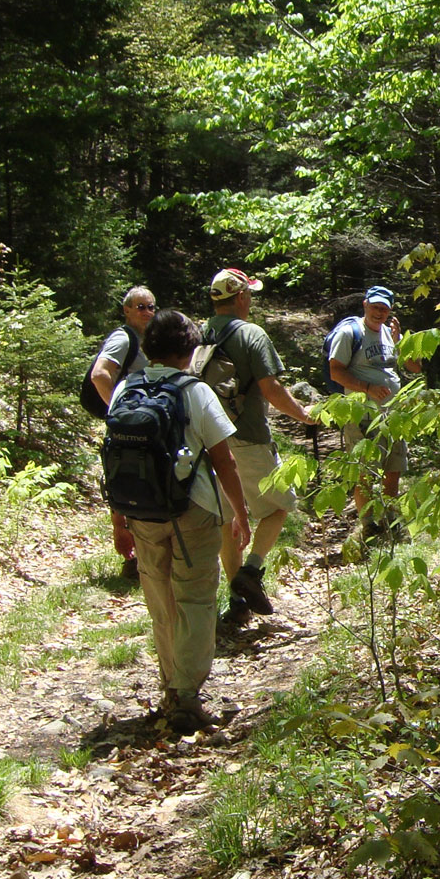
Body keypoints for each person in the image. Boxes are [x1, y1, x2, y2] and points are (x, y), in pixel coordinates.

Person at [123, 309, 251, 734]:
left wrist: (119, 519)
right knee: (195, 601)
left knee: (161, 603)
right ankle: (186, 696)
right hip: (192, 510)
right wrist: (240, 513)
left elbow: (116, 460)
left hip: (142, 511)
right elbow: (224, 459)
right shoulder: (194, 392)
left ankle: (169, 686)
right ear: (189, 350)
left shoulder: (127, 387)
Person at [205, 267, 316, 624]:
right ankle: (250, 572)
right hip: (249, 437)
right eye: (249, 294)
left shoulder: (200, 333)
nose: (250, 299)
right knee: (278, 507)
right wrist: (303, 416)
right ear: (240, 298)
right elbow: (271, 389)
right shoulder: (252, 334)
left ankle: (236, 600)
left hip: (209, 440)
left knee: (227, 519)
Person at [326, 285, 421, 530]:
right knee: (365, 472)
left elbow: (415, 367)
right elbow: (336, 371)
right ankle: (367, 525)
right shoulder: (350, 332)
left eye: (385, 309)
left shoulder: (390, 334)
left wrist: (400, 342)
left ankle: (391, 520)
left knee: (393, 469)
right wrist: (367, 387)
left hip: (392, 416)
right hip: (362, 416)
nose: (380, 313)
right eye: (376, 307)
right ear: (365, 304)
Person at [90, 287, 156, 584]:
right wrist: (117, 413)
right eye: (140, 306)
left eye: (151, 307)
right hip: (127, 428)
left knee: (142, 481)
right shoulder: (123, 338)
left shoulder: (145, 341)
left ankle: (142, 557)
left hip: (142, 427)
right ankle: (132, 556)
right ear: (127, 310)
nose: (147, 311)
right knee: (128, 482)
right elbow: (100, 374)